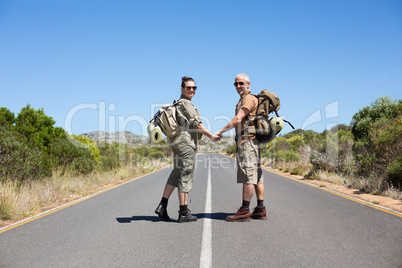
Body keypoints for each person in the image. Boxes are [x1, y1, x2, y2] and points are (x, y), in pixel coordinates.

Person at [155, 76, 220, 223]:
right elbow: (196, 124)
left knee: (176, 173)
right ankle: (183, 212)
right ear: (182, 88)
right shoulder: (186, 104)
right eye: (188, 87)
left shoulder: (178, 103)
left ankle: (162, 206)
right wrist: (211, 135)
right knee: (186, 174)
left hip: (177, 143)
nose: (191, 90)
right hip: (186, 144)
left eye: (194, 87)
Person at [216, 73, 267, 222]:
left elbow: (238, 118)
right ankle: (260, 209)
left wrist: (220, 131)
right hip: (251, 142)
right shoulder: (245, 99)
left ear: (248, 84)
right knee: (257, 175)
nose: (238, 86)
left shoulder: (249, 99)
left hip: (248, 142)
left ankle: (244, 210)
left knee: (248, 176)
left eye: (241, 83)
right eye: (236, 84)